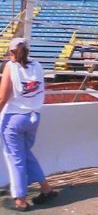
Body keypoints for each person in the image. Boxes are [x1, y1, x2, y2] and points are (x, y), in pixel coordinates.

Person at [0, 38, 57, 212]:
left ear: (12, 52)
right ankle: (46, 189)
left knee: (15, 159)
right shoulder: (38, 66)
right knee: (25, 154)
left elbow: (3, 97)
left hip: (14, 119)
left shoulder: (11, 67)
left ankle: (20, 199)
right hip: (33, 117)